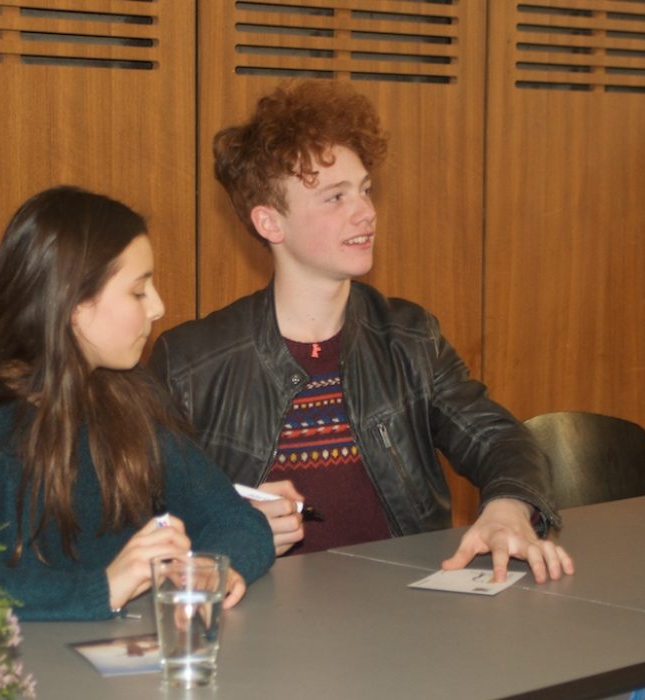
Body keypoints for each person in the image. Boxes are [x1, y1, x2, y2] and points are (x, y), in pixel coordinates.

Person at [150, 80, 574, 583]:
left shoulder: (410, 337)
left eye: (365, 190)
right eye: (335, 198)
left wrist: (508, 506)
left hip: (403, 614)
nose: (366, 212)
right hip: (257, 626)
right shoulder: (192, 362)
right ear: (269, 223)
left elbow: (499, 439)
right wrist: (227, 531)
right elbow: (136, 510)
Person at [0, 186, 274, 621]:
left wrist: (214, 566)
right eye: (138, 291)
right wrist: (103, 588)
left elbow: (238, 521)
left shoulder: (133, 397)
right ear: (73, 304)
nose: (158, 308)